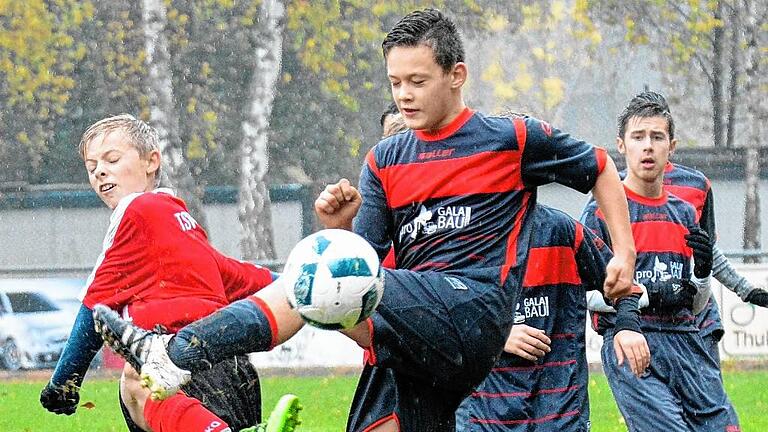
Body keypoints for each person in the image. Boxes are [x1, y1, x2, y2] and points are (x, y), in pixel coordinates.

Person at [94, 8, 637, 431]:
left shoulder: (509, 138)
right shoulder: (385, 160)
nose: (403, 95)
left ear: (457, 75)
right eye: (395, 81)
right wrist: (336, 231)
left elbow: (600, 168)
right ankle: (175, 358)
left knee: (315, 276)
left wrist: (624, 251)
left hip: (474, 311)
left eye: (417, 81)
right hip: (417, 331)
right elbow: (362, 272)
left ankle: (174, 354)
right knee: (335, 316)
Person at [38, 114, 300, 432]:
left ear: (152, 161)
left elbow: (97, 306)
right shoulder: (180, 221)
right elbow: (235, 274)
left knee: (135, 386)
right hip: (234, 370)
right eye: (92, 167)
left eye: (112, 159)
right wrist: (304, 285)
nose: (100, 172)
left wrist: (65, 380)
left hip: (177, 364)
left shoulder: (135, 209)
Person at [581, 91, 740, 431]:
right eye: (638, 137)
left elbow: (696, 305)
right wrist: (648, 295)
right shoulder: (601, 213)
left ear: (672, 147)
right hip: (633, 339)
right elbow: (584, 294)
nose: (648, 146)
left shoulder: (684, 213)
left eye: (657, 137)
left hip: (687, 340)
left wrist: (701, 275)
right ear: (621, 146)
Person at [454, 204, 648, 431]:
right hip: (486, 414)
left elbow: (626, 289)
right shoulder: (462, 237)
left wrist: (628, 325)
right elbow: (436, 317)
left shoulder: (563, 230)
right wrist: (497, 334)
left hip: (560, 412)